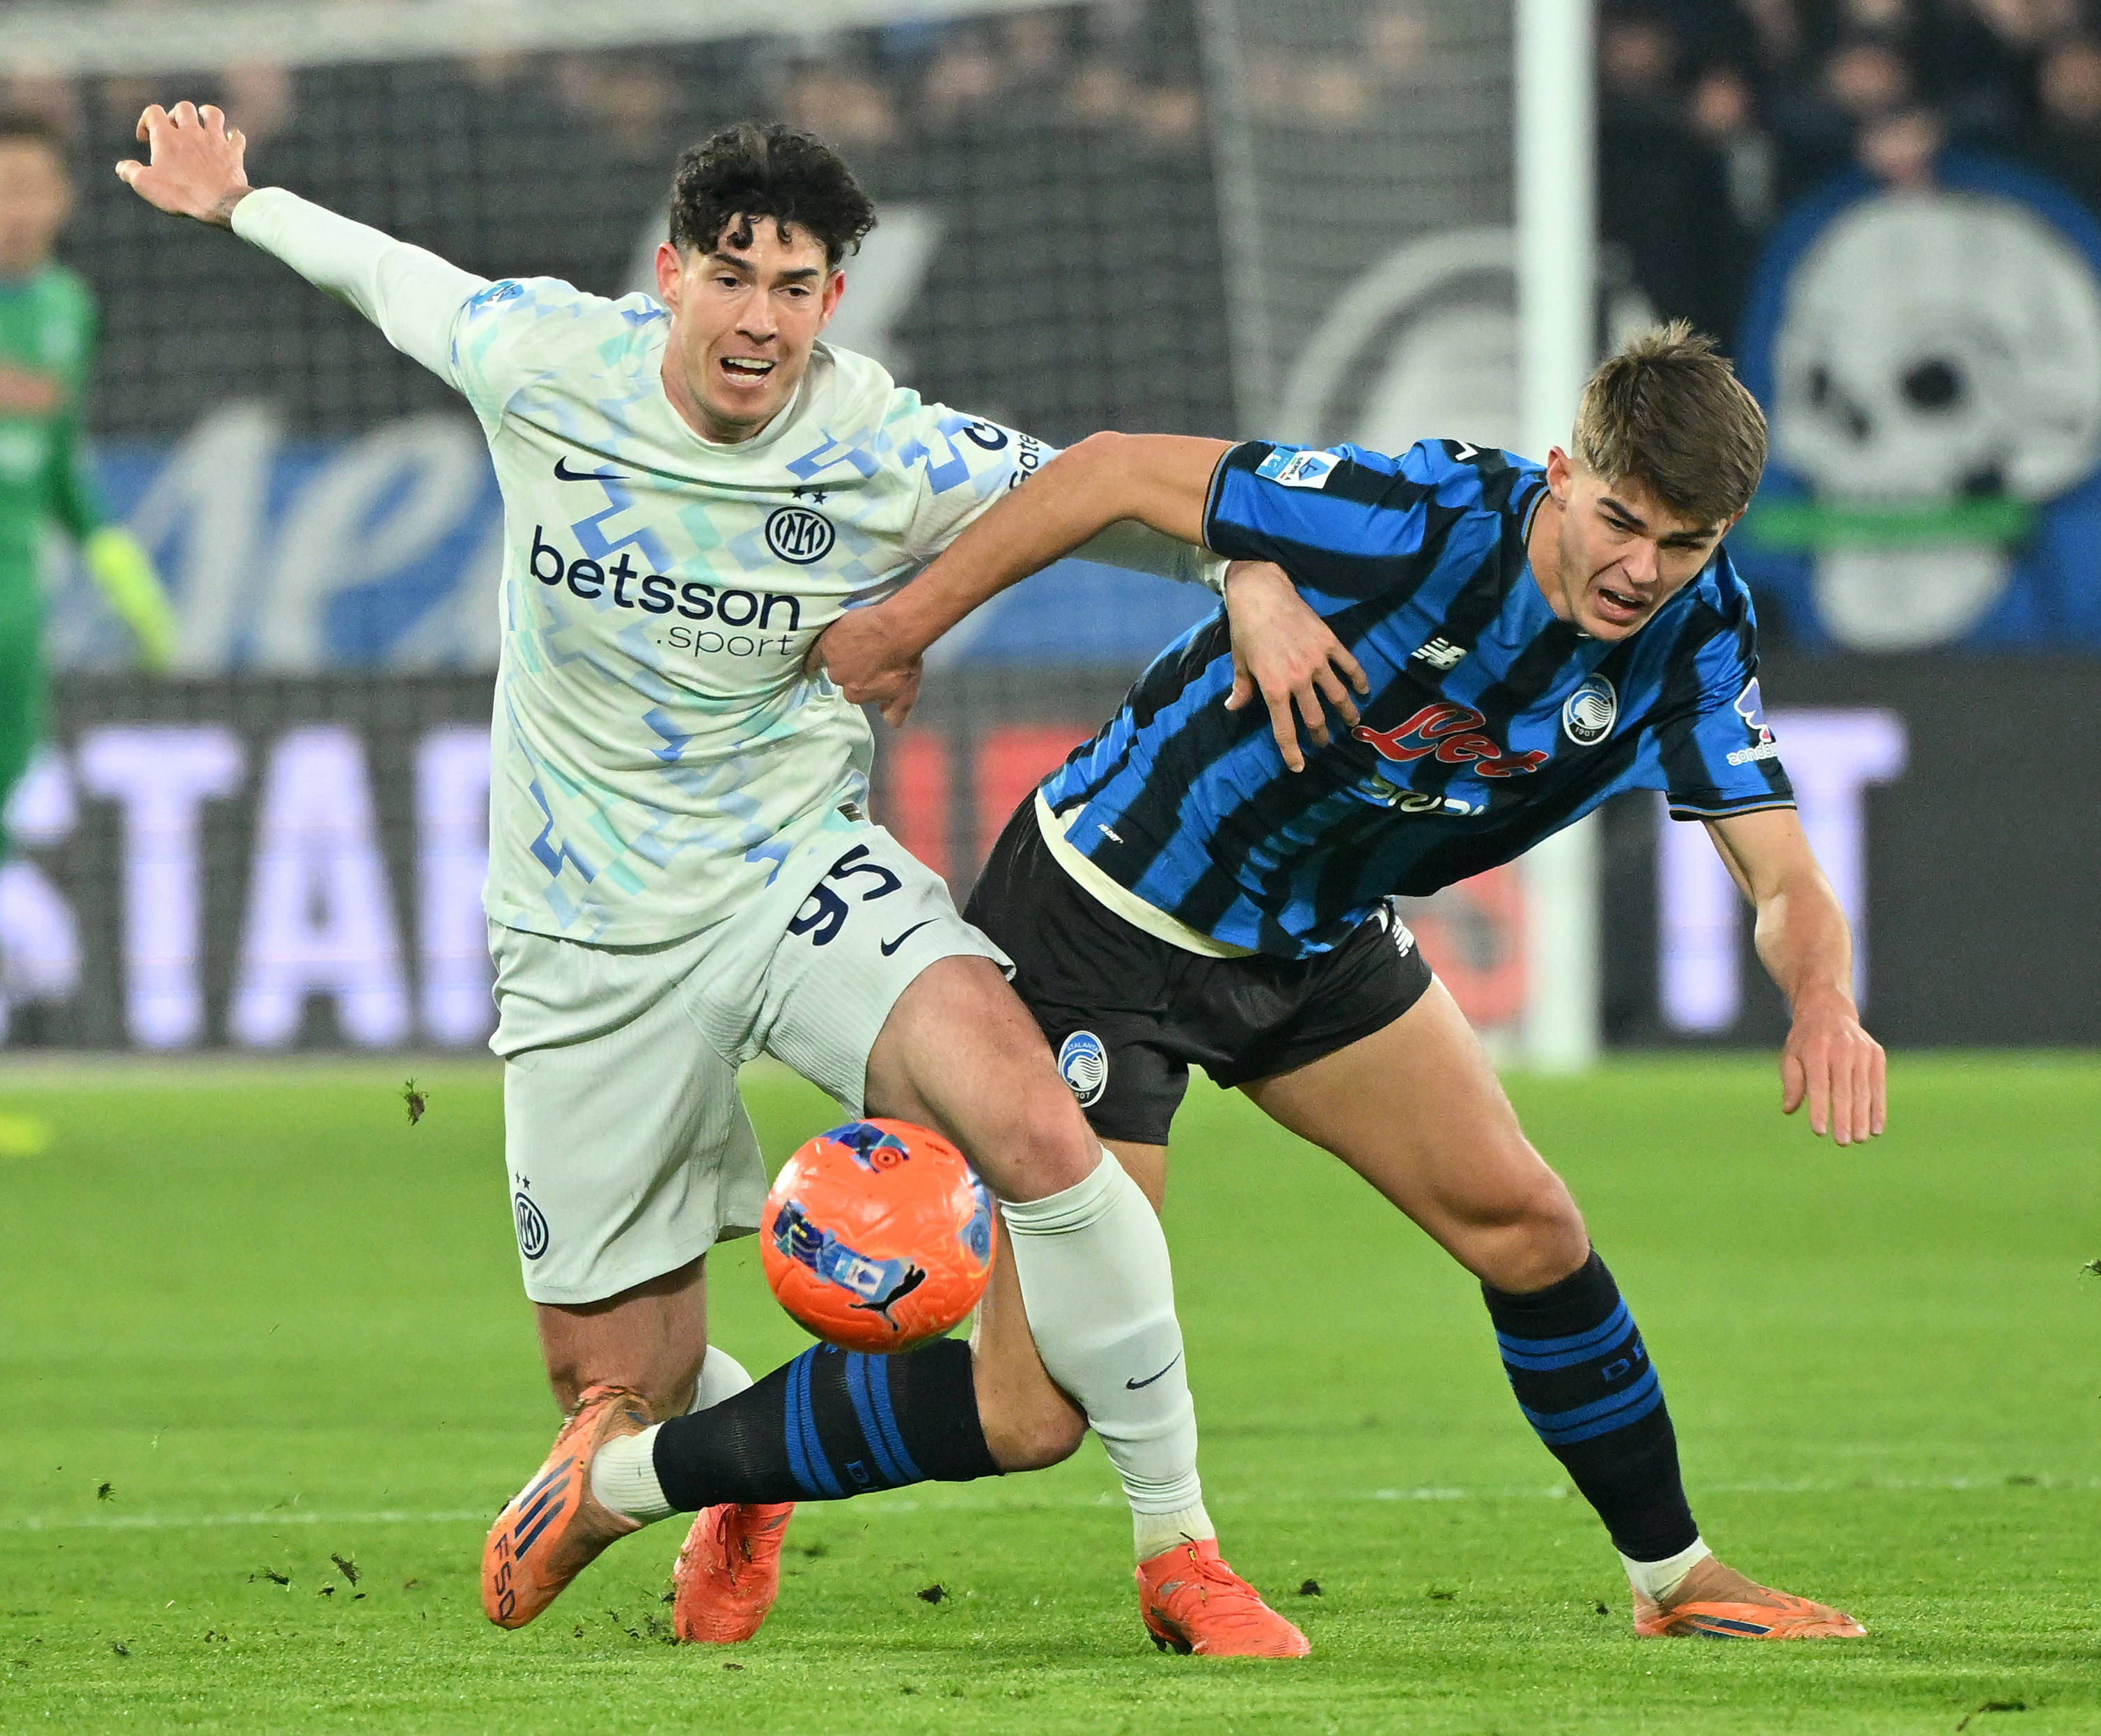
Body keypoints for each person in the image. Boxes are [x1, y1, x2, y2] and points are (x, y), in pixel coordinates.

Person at [116, 103, 1322, 1657]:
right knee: (613, 1388)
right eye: (733, 278)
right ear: (672, 274)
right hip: (579, 925)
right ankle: (737, 1472)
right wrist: (241, 201)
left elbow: (1104, 492)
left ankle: (1179, 1548)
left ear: (832, 300)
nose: (759, 318)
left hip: (791, 872)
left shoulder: (879, 442)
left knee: (1037, 1126)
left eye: (795, 287)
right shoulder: (548, 361)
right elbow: (392, 276)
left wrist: (1242, 571)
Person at [815, 323, 1886, 1641]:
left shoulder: (1696, 634)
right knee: (1035, 1404)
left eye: (1686, 543)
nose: (1641, 570)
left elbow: (1784, 879)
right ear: (1563, 474)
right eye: (1622, 521)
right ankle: (691, 1476)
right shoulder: (1427, 516)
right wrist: (902, 626)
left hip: (1312, 936)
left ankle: (1672, 1576)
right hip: (1110, 910)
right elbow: (1106, 470)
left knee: (1527, 1226)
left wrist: (1823, 999)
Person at [0, 110, 175, 851]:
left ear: (64, 198)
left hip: (17, 604)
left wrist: (118, 565)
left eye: (29, 187)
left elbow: (59, 460)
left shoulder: (68, 310)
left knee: (12, 771)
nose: (14, 209)